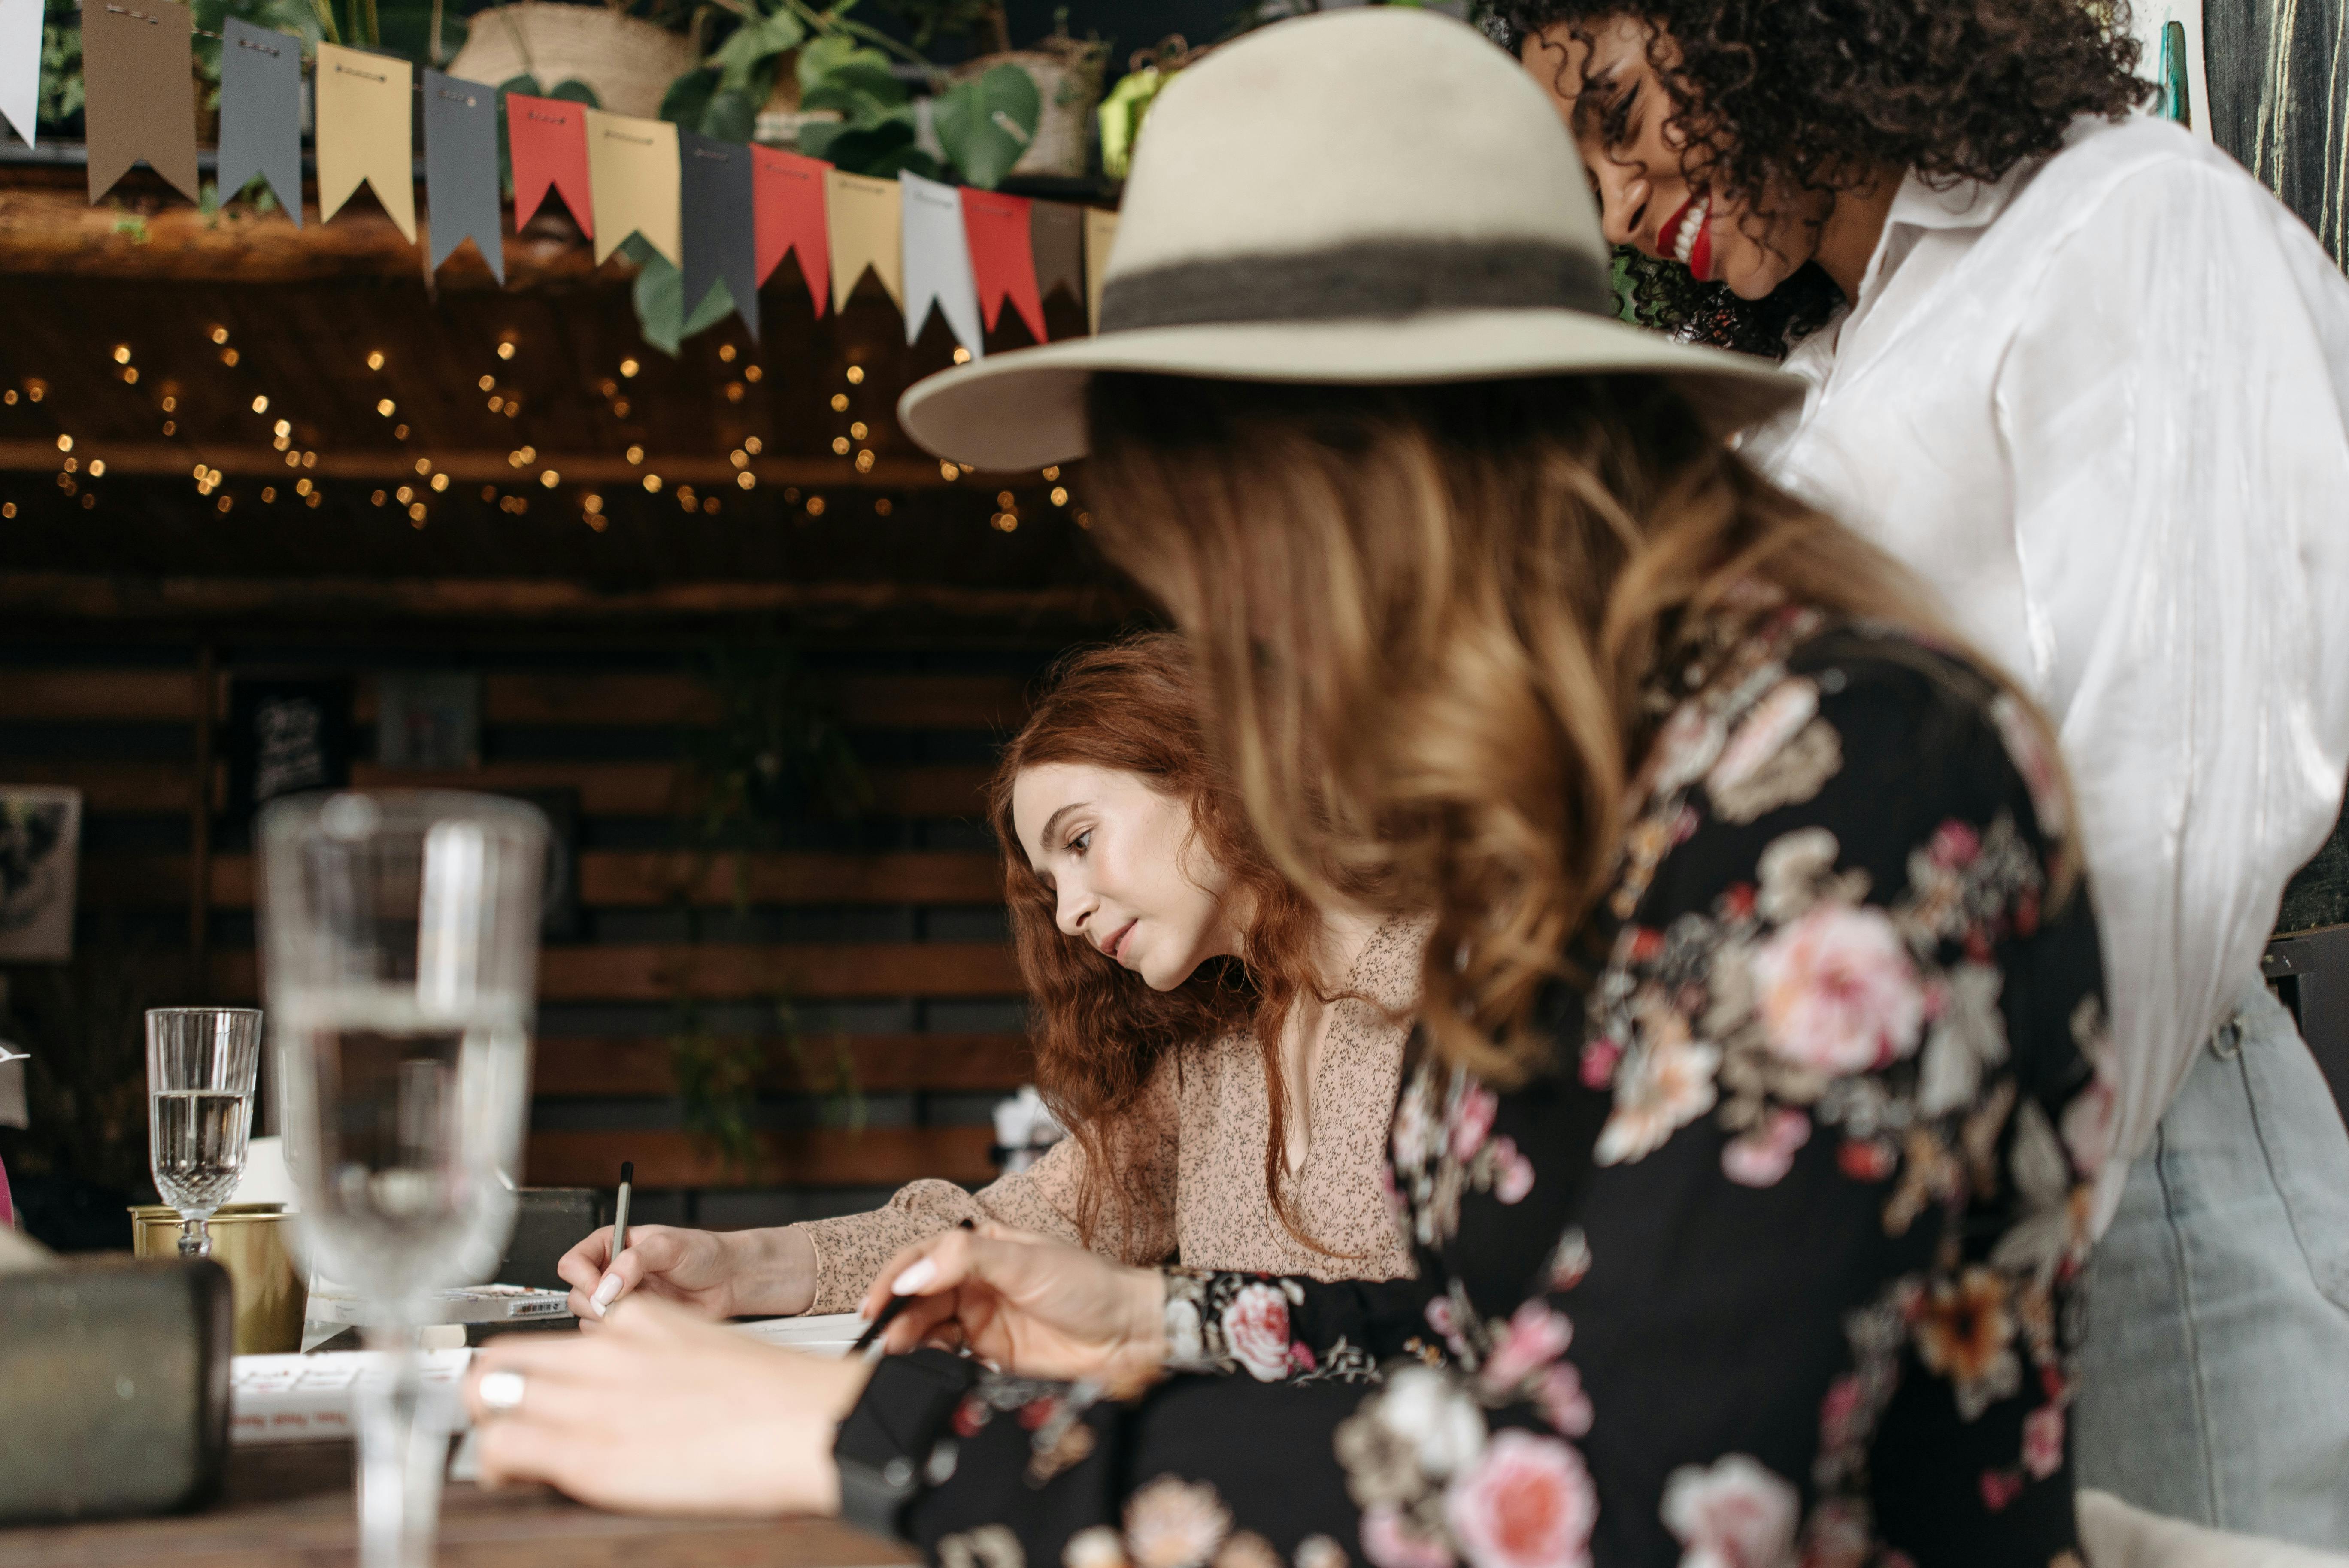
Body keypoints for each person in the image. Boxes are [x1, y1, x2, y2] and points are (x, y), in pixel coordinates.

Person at [464, 13, 2110, 1563]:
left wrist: (868, 1428)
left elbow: (1626, 1503)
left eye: (1221, 553)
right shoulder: (1596, 802)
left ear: (1365, 470)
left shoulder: (1848, 771)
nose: (1234, 644)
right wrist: (1153, 1320)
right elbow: (1515, 1351)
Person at [1497, 0, 2349, 1542]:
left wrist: (1989, 1238)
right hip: (1854, 1187)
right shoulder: (1816, 365)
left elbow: (2186, 799)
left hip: (2113, 1161)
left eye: (1617, 110)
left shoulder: (2130, 221)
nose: (1617, 202)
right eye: (1579, 168)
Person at [554, 633, 1418, 1326]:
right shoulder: (1216, 1059)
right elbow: (1007, 1228)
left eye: (1079, 842)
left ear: (1213, 775)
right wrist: (731, 1269)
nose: (1070, 914)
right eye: (1050, 888)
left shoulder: (1472, 994)